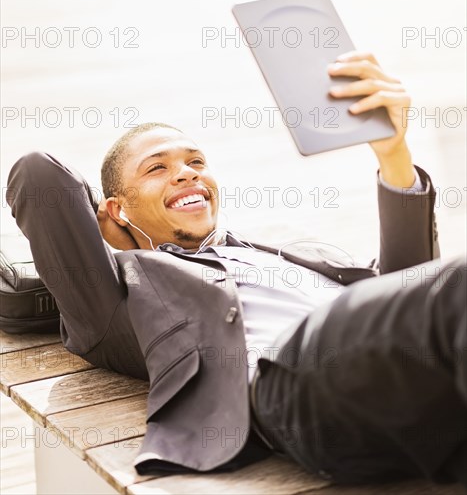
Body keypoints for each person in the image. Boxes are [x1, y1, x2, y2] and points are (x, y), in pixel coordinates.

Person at [7, 52, 466, 486]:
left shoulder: (298, 253)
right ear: (116, 209)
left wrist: (394, 154)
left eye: (195, 162)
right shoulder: (121, 301)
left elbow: (412, 288)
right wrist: (114, 235)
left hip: (407, 391)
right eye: (157, 169)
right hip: (290, 389)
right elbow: (39, 174)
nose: (187, 173)